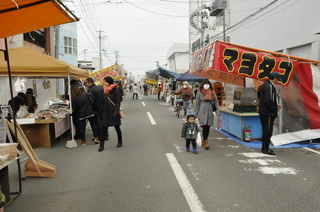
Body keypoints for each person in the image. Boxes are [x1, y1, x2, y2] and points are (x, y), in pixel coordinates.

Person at [258, 72, 283, 155]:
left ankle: (266, 147)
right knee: (267, 131)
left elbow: (268, 99)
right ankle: (265, 149)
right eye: (278, 79)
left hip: (264, 111)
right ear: (275, 78)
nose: (278, 81)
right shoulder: (269, 86)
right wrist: (274, 108)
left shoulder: (266, 84)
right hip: (267, 113)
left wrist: (275, 105)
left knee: (266, 130)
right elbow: (268, 100)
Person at [98, 76, 123, 152]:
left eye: (105, 81)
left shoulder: (116, 90)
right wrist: (100, 112)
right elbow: (102, 103)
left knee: (117, 128)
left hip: (113, 113)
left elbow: (118, 102)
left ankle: (120, 141)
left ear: (109, 82)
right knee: (104, 130)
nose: (104, 83)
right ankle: (101, 145)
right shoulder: (104, 90)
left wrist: (115, 112)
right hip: (105, 113)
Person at [194, 79, 220, 150]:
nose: (206, 85)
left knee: (207, 126)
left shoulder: (213, 92)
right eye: (205, 84)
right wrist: (194, 115)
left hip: (210, 111)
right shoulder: (199, 93)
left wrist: (218, 111)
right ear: (202, 85)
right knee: (204, 125)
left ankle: (205, 140)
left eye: (207, 84)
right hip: (202, 111)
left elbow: (216, 102)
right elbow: (197, 104)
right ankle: (205, 140)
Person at [86, 77, 104, 143]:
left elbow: (91, 101)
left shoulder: (90, 90)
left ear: (90, 83)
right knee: (101, 122)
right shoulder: (100, 87)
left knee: (95, 123)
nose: (86, 84)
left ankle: (98, 137)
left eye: (86, 83)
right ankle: (104, 135)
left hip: (94, 109)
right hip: (101, 108)